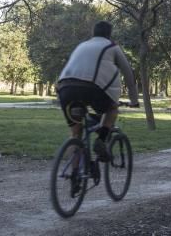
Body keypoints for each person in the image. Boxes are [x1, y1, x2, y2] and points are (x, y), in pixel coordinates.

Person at [56, 21, 139, 162]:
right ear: (109, 34)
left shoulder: (81, 46)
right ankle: (101, 140)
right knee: (112, 108)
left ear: (93, 33)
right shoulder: (112, 46)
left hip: (65, 88)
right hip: (92, 88)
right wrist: (134, 100)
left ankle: (75, 177)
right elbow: (129, 75)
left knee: (76, 134)